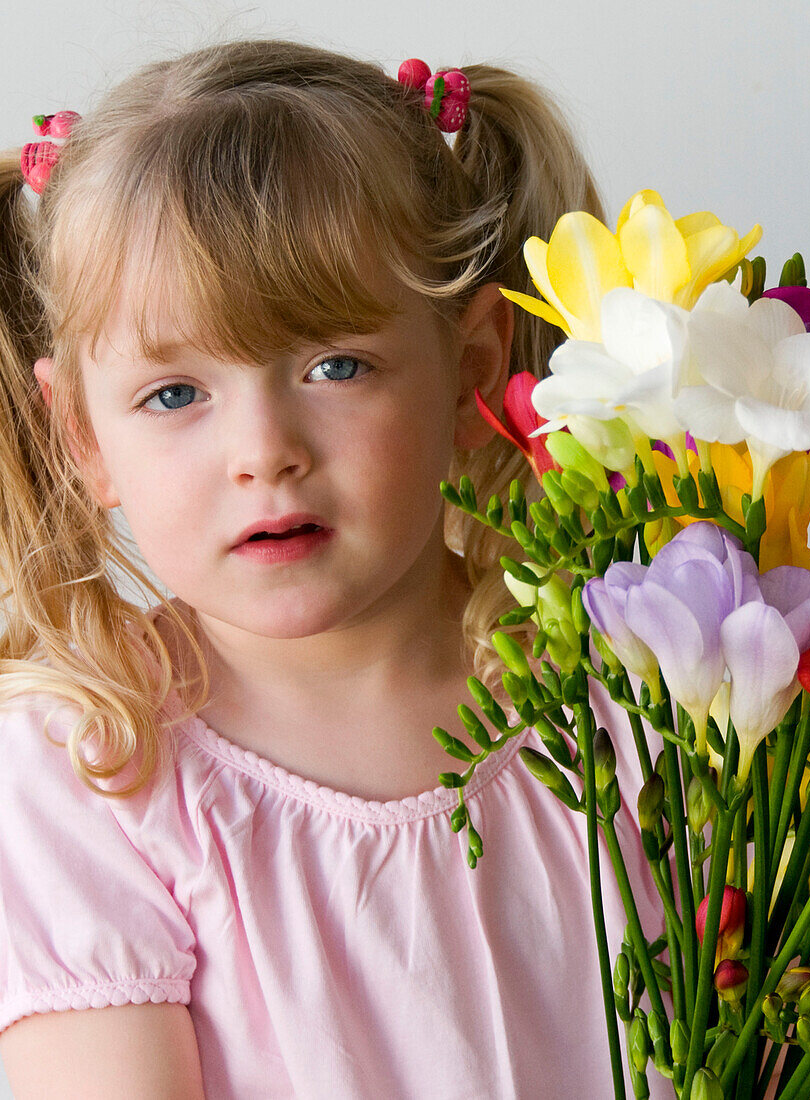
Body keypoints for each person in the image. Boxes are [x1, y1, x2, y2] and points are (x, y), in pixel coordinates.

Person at [0, 39, 669, 1098]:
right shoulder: (91, 768)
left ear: (474, 371)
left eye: (334, 365)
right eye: (174, 393)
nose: (264, 448)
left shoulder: (639, 702)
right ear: (83, 437)